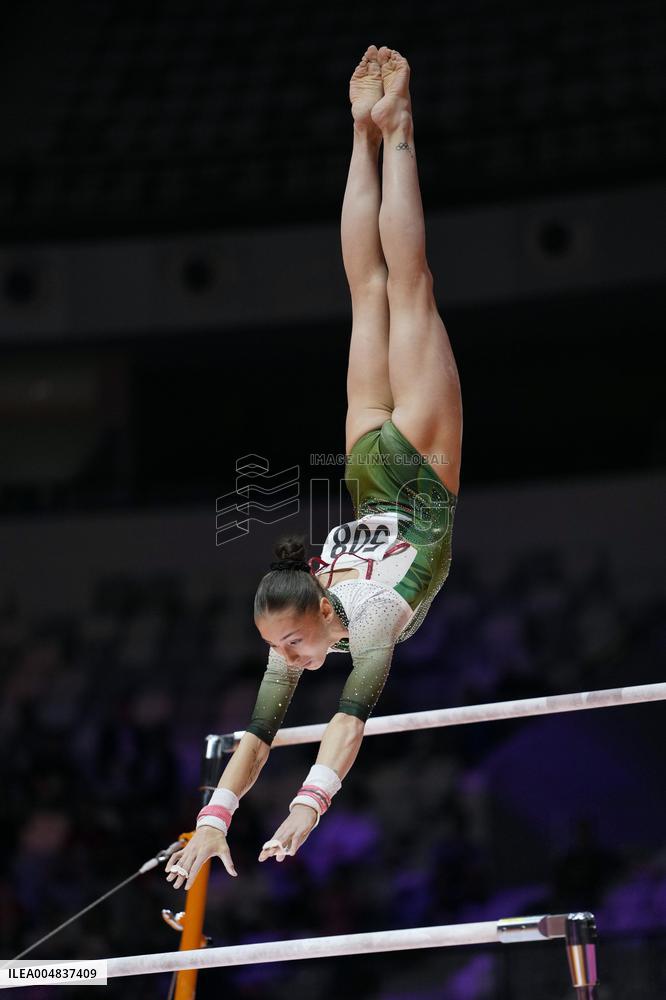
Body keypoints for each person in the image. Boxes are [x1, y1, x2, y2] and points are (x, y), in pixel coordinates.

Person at [166, 44, 463, 891]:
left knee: (400, 287)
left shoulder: (358, 625)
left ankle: (389, 130)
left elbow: (347, 720)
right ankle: (367, 135)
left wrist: (306, 807)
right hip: (372, 456)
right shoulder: (306, 613)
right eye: (280, 648)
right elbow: (261, 730)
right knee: (374, 289)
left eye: (287, 644)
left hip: (412, 465)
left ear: (315, 610)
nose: (286, 660)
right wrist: (212, 820)